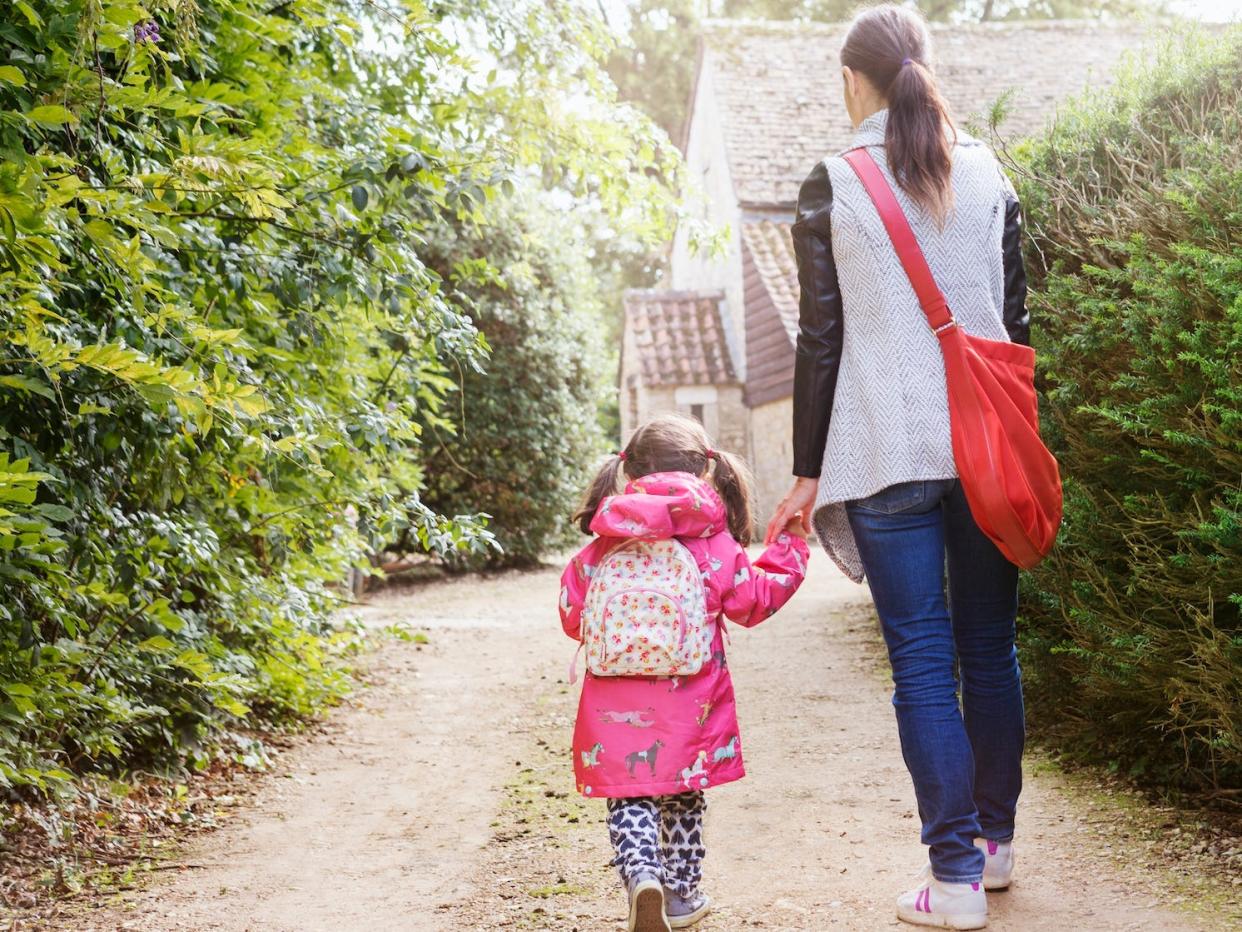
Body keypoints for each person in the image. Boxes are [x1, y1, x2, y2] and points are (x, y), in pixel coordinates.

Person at [765, 5, 1030, 929]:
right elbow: (1016, 329)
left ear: (854, 81)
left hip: (883, 453)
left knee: (922, 662)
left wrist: (805, 472)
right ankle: (993, 851)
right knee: (989, 650)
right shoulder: (991, 171)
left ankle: (953, 881)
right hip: (986, 450)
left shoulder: (832, 184)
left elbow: (820, 340)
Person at [561, 413, 809, 932]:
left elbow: (571, 612)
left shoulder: (607, 539)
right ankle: (680, 893)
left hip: (614, 704)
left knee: (631, 795)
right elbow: (753, 602)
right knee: (683, 792)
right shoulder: (711, 542)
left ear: (628, 471)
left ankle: (641, 875)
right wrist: (790, 549)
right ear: (705, 472)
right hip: (691, 704)